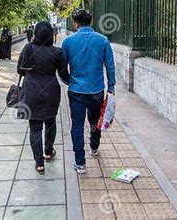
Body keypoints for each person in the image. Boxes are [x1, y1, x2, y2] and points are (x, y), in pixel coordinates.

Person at [61, 10, 116, 174]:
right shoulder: (103, 40)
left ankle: (80, 163)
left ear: (76, 23)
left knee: (77, 125)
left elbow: (62, 67)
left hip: (76, 90)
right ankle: (94, 146)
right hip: (96, 90)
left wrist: (69, 81)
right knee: (94, 122)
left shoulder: (68, 42)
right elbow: (110, 65)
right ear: (91, 22)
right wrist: (111, 86)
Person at [17, 21, 70, 174]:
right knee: (50, 122)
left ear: (35, 33)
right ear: (51, 34)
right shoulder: (57, 52)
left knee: (34, 127)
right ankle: (48, 152)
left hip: (31, 91)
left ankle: (39, 163)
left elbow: (20, 70)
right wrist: (74, 82)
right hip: (51, 91)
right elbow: (63, 74)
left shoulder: (28, 48)